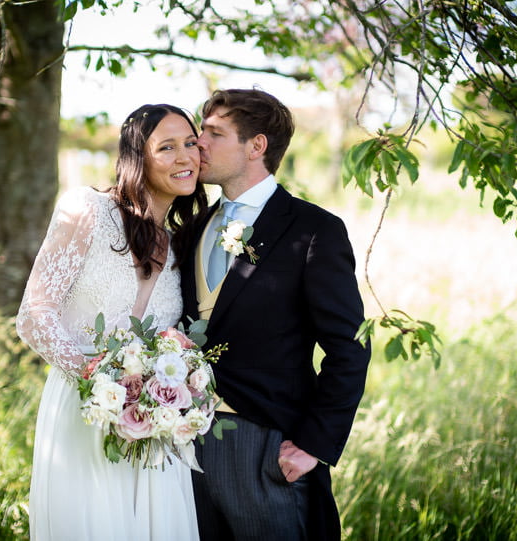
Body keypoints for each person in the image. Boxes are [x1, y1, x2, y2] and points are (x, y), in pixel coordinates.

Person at [180, 88, 371, 541]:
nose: (197, 142)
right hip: (183, 445)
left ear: (257, 146)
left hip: (265, 445)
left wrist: (313, 444)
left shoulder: (313, 230)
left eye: (213, 132)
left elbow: (349, 347)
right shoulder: (191, 229)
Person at [16, 103, 209, 540]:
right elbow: (34, 316)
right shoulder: (87, 210)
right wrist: (104, 384)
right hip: (84, 411)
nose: (185, 157)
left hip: (156, 425)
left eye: (191, 143)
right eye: (167, 147)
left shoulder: (182, 243)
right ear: (137, 159)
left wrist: (168, 390)